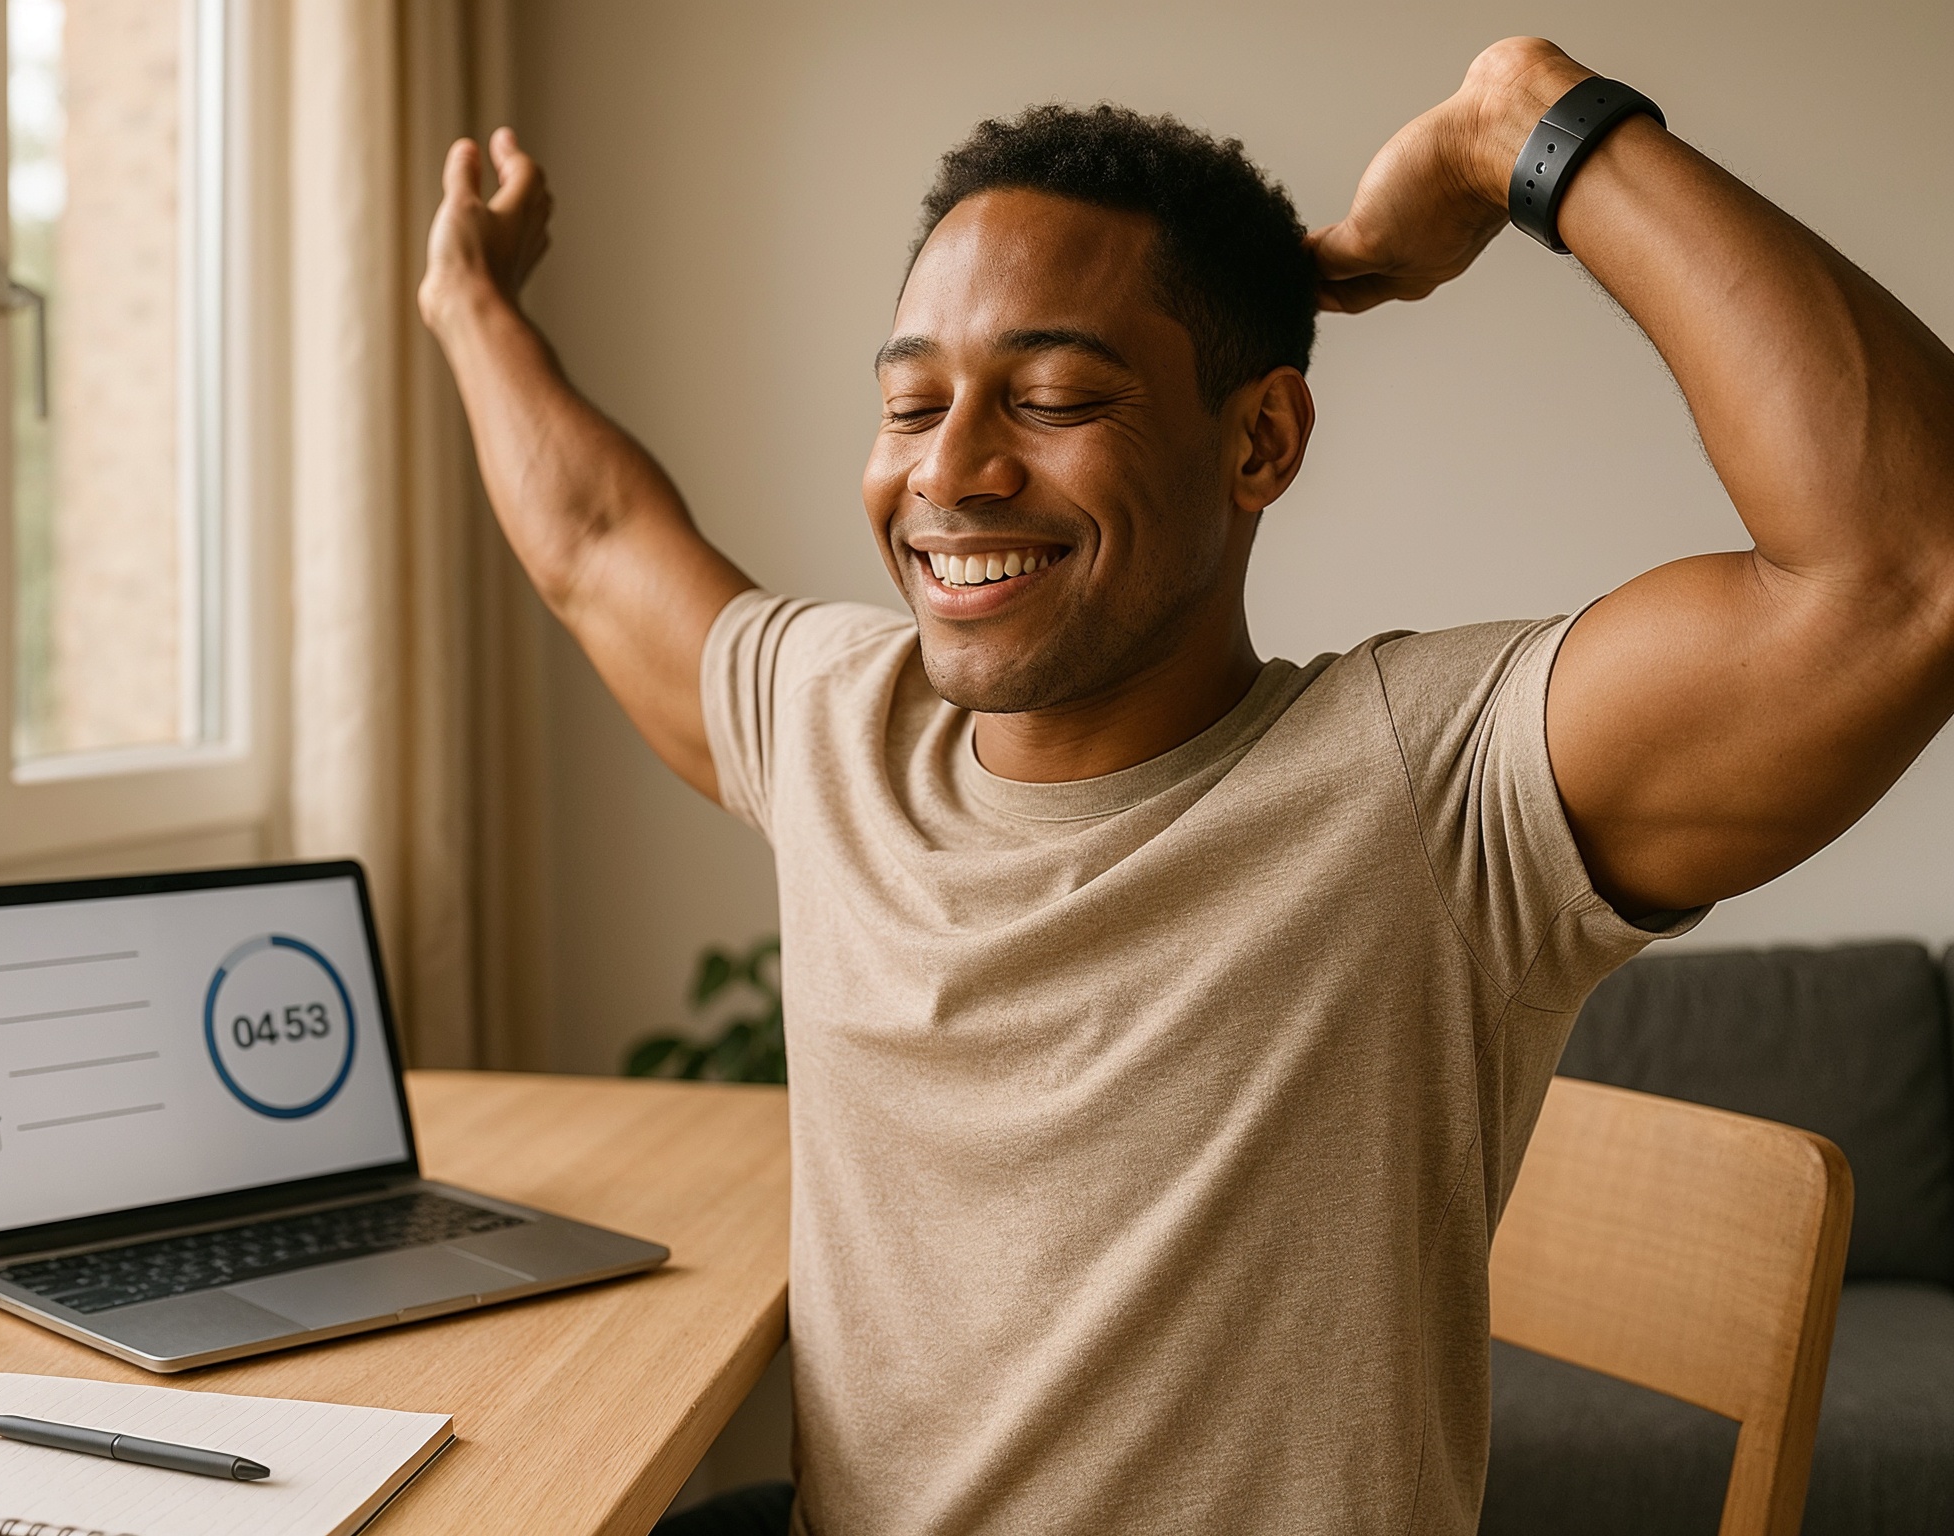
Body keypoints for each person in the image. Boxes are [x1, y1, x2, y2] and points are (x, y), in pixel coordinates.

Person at [418, 34, 1954, 1536]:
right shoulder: (837, 727)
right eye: (910, 403)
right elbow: (596, 542)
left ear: (1263, 439)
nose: (950, 470)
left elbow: (1907, 570)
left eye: (1054, 398)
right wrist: (468, 303)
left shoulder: (1434, 799)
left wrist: (1532, 131)